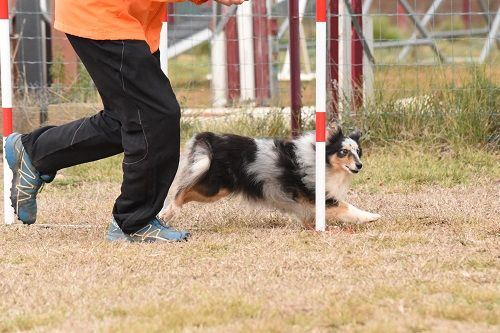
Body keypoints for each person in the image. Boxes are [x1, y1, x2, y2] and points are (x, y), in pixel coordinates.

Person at [4, 0, 246, 242]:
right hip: (103, 11)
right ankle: (134, 222)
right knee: (156, 116)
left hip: (123, 16)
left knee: (128, 117)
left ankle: (34, 152)